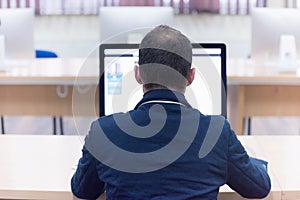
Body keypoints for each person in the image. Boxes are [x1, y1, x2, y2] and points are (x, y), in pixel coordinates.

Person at [71, 25, 271, 199]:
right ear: (191, 76)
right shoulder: (217, 134)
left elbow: (82, 190)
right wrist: (243, 160)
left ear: (137, 74)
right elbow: (259, 187)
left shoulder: (103, 132)